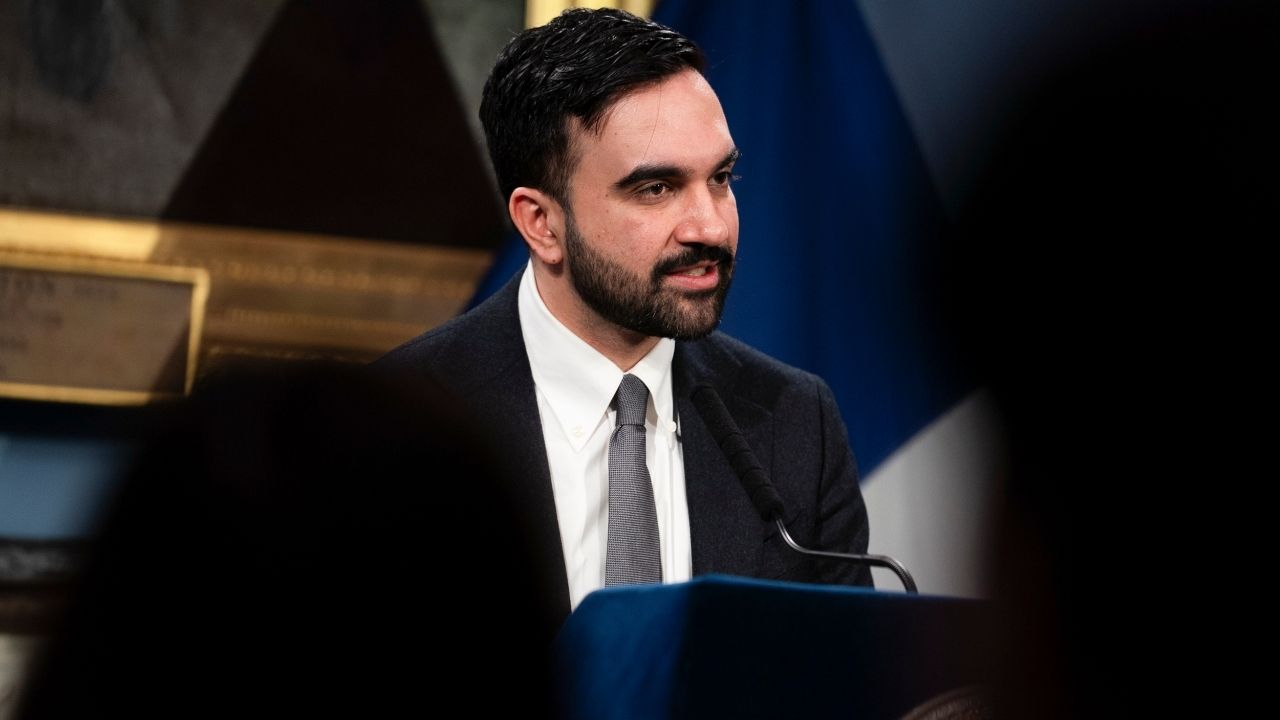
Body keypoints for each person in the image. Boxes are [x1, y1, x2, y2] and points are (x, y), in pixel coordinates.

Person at [379, 8, 871, 616]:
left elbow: (838, 665)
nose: (711, 227)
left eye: (721, 177)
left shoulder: (796, 422)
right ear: (542, 223)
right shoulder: (394, 426)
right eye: (655, 189)